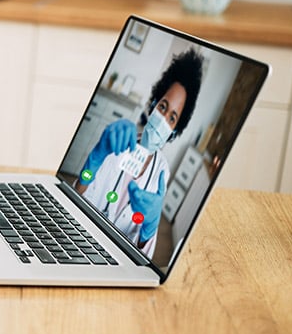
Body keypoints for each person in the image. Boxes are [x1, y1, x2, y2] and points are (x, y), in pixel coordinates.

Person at [75, 49, 204, 256]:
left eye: (172, 118)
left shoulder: (161, 174)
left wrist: (148, 230)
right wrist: (95, 159)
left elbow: (142, 256)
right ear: (153, 105)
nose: (163, 119)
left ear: (174, 132)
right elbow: (78, 197)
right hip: (81, 237)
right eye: (163, 106)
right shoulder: (117, 143)